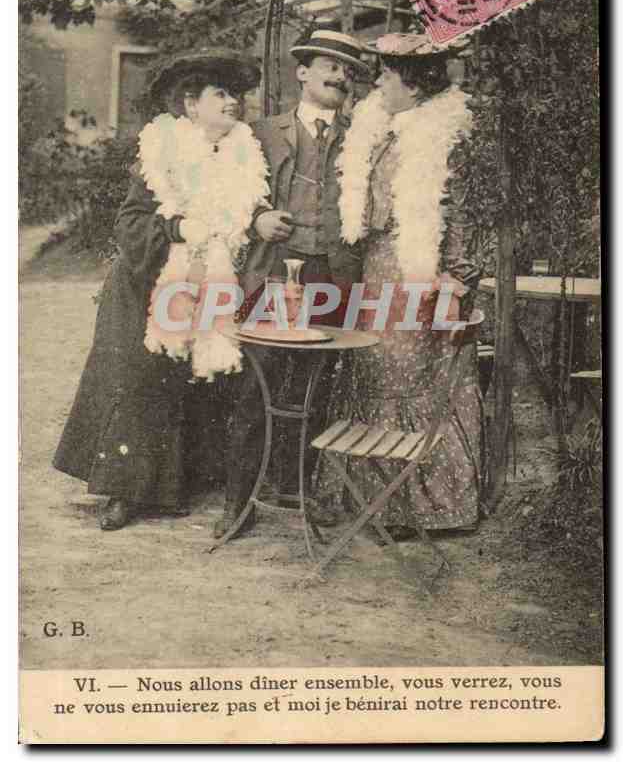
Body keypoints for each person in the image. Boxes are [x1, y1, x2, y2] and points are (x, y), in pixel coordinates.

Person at [53, 49, 270, 530]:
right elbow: (130, 224)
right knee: (142, 380)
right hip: (145, 286)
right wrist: (175, 229)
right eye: (220, 94)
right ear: (191, 104)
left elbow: (244, 217)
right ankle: (125, 491)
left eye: (236, 94)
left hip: (209, 284)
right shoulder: (162, 150)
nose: (232, 103)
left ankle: (174, 486)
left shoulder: (243, 154)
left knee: (192, 380)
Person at [323, 31, 482, 535]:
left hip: (420, 270)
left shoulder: (446, 135)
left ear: (414, 86)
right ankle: (379, 501)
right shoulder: (379, 125)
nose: (378, 85)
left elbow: (461, 217)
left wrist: (454, 281)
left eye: (388, 76)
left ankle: (425, 507)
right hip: (377, 269)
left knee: (413, 378)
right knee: (374, 369)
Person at [214, 29, 369, 539]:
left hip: (330, 274)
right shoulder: (259, 133)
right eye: (330, 65)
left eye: (347, 71)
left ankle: (297, 491)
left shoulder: (360, 138)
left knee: (314, 389)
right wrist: (257, 217)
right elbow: (228, 192)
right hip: (272, 272)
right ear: (302, 72)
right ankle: (238, 503)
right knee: (254, 388)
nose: (339, 77)